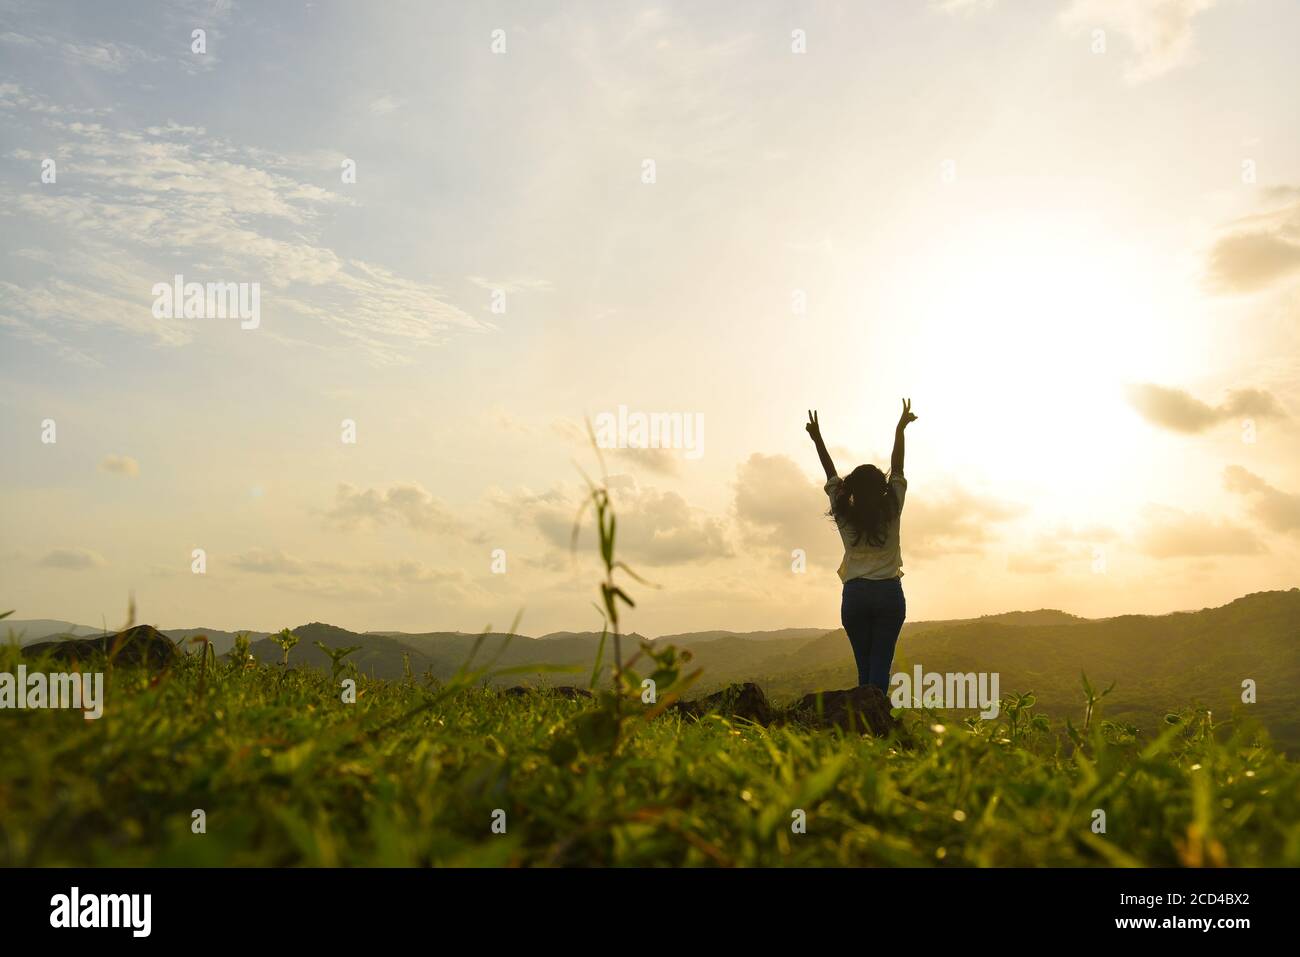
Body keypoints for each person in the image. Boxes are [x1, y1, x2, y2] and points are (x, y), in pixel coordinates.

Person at [805, 399, 917, 691]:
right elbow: (898, 467)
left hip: (854, 595)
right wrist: (900, 429)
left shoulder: (844, 514)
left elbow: (831, 476)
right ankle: (874, 725)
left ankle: (861, 726)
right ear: (882, 489)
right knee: (880, 665)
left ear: (851, 490)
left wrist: (817, 439)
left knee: (864, 667)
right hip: (888, 594)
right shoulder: (892, 510)